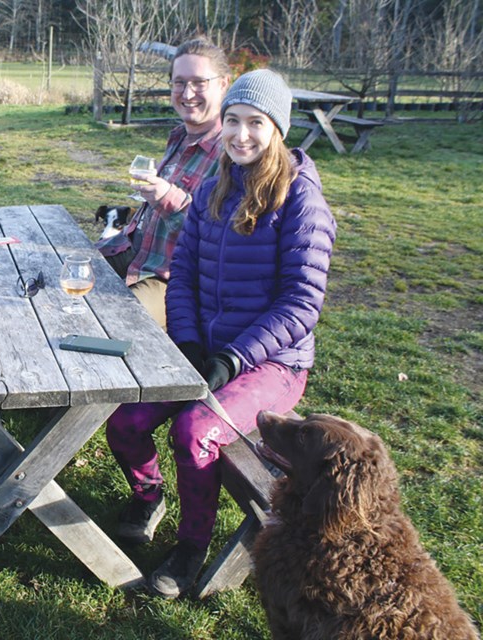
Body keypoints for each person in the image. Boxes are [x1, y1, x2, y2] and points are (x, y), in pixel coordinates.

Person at [105, 69, 337, 598]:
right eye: (232, 120)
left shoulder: (302, 201)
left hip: (274, 363)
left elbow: (302, 305)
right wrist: (187, 343)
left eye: (255, 122)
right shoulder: (212, 190)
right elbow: (181, 275)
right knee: (125, 420)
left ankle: (190, 550)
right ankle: (148, 494)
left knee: (193, 431)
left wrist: (233, 359)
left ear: (278, 128)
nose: (240, 134)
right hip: (205, 349)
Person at [97, 37, 230, 328]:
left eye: (199, 82)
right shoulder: (180, 136)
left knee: (117, 322)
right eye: (179, 82)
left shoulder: (229, 151)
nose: (187, 93)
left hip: (174, 278)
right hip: (136, 253)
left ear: (223, 84)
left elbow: (216, 236)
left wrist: (166, 196)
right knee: (64, 276)